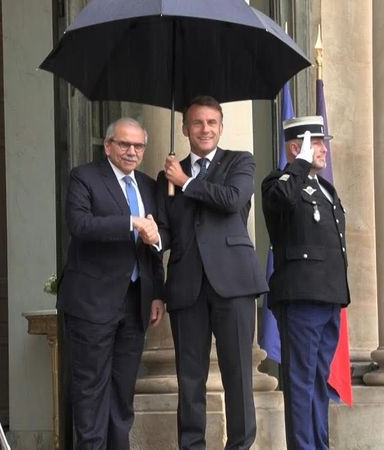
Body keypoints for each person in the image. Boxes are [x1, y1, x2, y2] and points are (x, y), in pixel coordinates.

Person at [156, 95, 268, 450]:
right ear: (185, 128)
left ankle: (240, 446)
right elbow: (167, 230)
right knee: (189, 380)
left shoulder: (240, 162)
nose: (205, 129)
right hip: (187, 286)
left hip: (233, 284)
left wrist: (187, 181)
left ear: (220, 127)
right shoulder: (167, 177)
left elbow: (232, 200)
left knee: (238, 377)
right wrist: (152, 233)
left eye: (211, 123)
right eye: (197, 123)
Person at [57, 117, 165, 449]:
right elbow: (80, 225)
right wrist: (130, 222)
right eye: (124, 144)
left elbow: (154, 243)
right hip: (92, 301)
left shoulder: (149, 185)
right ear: (107, 146)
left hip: (135, 303)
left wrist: (157, 292)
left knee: (122, 392)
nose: (132, 151)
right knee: (90, 391)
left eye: (138, 146)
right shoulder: (85, 177)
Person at [261, 115, 349, 450]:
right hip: (300, 299)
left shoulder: (325, 189)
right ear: (296, 147)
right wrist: (298, 163)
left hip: (328, 297)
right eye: (317, 143)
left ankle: (318, 445)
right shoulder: (280, 182)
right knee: (300, 382)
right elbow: (280, 200)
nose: (324, 149)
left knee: (317, 381)